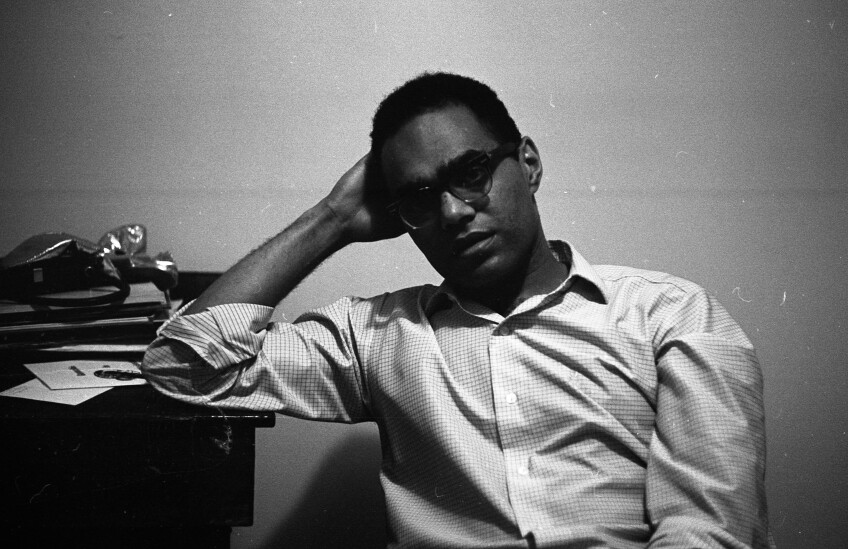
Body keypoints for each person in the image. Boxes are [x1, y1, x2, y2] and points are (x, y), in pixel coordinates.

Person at [142, 72, 774, 548]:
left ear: (527, 162)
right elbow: (186, 361)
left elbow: (710, 532)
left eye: (471, 172)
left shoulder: (670, 315)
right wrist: (332, 218)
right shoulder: (378, 335)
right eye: (419, 197)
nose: (451, 212)